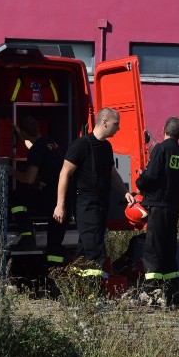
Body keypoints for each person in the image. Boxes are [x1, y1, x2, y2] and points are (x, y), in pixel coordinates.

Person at [53, 107, 135, 276]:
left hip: (101, 202)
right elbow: (65, 173)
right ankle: (94, 291)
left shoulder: (106, 147)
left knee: (85, 246)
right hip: (86, 203)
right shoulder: (80, 145)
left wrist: (124, 191)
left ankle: (78, 284)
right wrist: (60, 205)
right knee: (95, 249)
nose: (118, 128)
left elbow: (112, 173)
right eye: (116, 124)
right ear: (104, 122)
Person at [135, 117, 179, 309]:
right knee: (168, 250)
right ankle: (172, 295)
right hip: (173, 208)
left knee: (153, 250)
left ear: (164, 129)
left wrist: (140, 181)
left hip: (158, 206)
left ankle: (151, 293)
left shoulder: (161, 149)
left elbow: (151, 176)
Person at [8, 116, 66, 267]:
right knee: (55, 242)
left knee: (15, 197)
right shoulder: (49, 143)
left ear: (25, 133)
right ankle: (56, 277)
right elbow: (33, 146)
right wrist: (21, 133)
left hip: (50, 198)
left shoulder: (36, 150)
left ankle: (27, 236)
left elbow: (29, 179)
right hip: (64, 199)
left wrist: (10, 171)